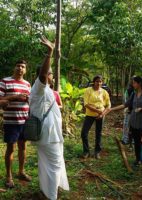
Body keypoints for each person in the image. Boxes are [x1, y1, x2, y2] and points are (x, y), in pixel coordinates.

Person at [29, 36, 69, 199]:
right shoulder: (39, 87)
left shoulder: (46, 92)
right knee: (54, 165)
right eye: (51, 74)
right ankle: (52, 196)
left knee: (46, 164)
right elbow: (44, 74)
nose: (51, 76)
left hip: (49, 134)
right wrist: (49, 53)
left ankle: (46, 191)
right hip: (48, 135)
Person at [109, 76, 142, 166]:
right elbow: (125, 105)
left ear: (139, 83)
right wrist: (111, 109)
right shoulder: (134, 94)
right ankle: (137, 160)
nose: (132, 84)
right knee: (136, 143)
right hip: (134, 123)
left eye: (134, 83)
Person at [0, 60, 31, 188]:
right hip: (11, 121)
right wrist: (15, 97)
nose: (20, 68)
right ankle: (9, 176)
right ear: (14, 67)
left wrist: (28, 99)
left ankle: (21, 172)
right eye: (18, 66)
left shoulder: (28, 84)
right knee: (10, 148)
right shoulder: (5, 81)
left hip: (25, 120)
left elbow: (30, 101)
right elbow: (0, 100)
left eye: (23, 66)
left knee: (23, 147)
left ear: (25, 70)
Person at [81, 75, 111, 159]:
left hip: (101, 115)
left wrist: (102, 114)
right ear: (94, 82)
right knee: (84, 133)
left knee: (98, 133)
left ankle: (97, 152)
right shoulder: (88, 90)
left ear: (102, 83)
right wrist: (97, 111)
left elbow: (108, 105)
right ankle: (86, 151)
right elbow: (86, 104)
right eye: (97, 81)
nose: (98, 83)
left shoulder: (104, 92)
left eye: (100, 81)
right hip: (90, 115)